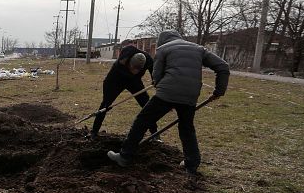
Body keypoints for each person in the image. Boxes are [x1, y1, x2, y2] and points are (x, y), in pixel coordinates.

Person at [107, 30, 229, 182]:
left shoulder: (163, 49)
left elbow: (157, 77)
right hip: (190, 95)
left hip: (167, 92)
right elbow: (223, 67)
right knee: (187, 129)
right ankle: (191, 165)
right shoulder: (199, 49)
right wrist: (219, 91)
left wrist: (165, 96)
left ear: (161, 41)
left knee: (142, 121)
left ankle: (124, 157)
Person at [88, 40, 157, 140]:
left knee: (146, 105)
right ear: (128, 62)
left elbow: (153, 71)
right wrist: (108, 97)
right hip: (115, 79)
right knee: (105, 105)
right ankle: (94, 132)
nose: (134, 71)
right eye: (132, 68)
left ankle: (155, 133)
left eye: (137, 70)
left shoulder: (148, 60)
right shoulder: (126, 54)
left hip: (134, 82)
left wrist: (155, 79)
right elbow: (117, 69)